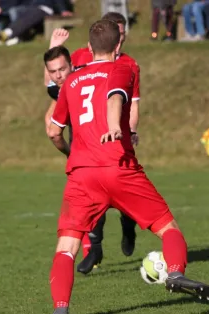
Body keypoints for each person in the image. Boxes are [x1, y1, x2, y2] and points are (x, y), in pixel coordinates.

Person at [43, 19, 209, 314]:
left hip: (82, 175)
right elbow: (115, 98)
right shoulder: (123, 68)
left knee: (67, 246)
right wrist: (113, 127)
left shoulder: (71, 80)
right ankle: (174, 272)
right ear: (118, 45)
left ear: (89, 46)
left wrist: (71, 154)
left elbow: (54, 131)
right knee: (168, 227)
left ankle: (60, 310)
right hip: (119, 166)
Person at [46, 13, 140, 275]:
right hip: (85, 139)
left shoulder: (129, 66)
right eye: (115, 33)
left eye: (121, 34)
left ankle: (128, 224)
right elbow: (55, 84)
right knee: (92, 196)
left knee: (119, 194)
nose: (118, 39)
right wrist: (52, 46)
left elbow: (132, 103)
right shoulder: (79, 58)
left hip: (115, 139)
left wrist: (130, 130)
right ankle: (95, 248)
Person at [0, 0, 73, 46]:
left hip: (45, 8)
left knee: (29, 16)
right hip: (30, 8)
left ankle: (7, 34)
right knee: (15, 11)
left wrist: (63, 10)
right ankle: (16, 36)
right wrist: (1, 7)